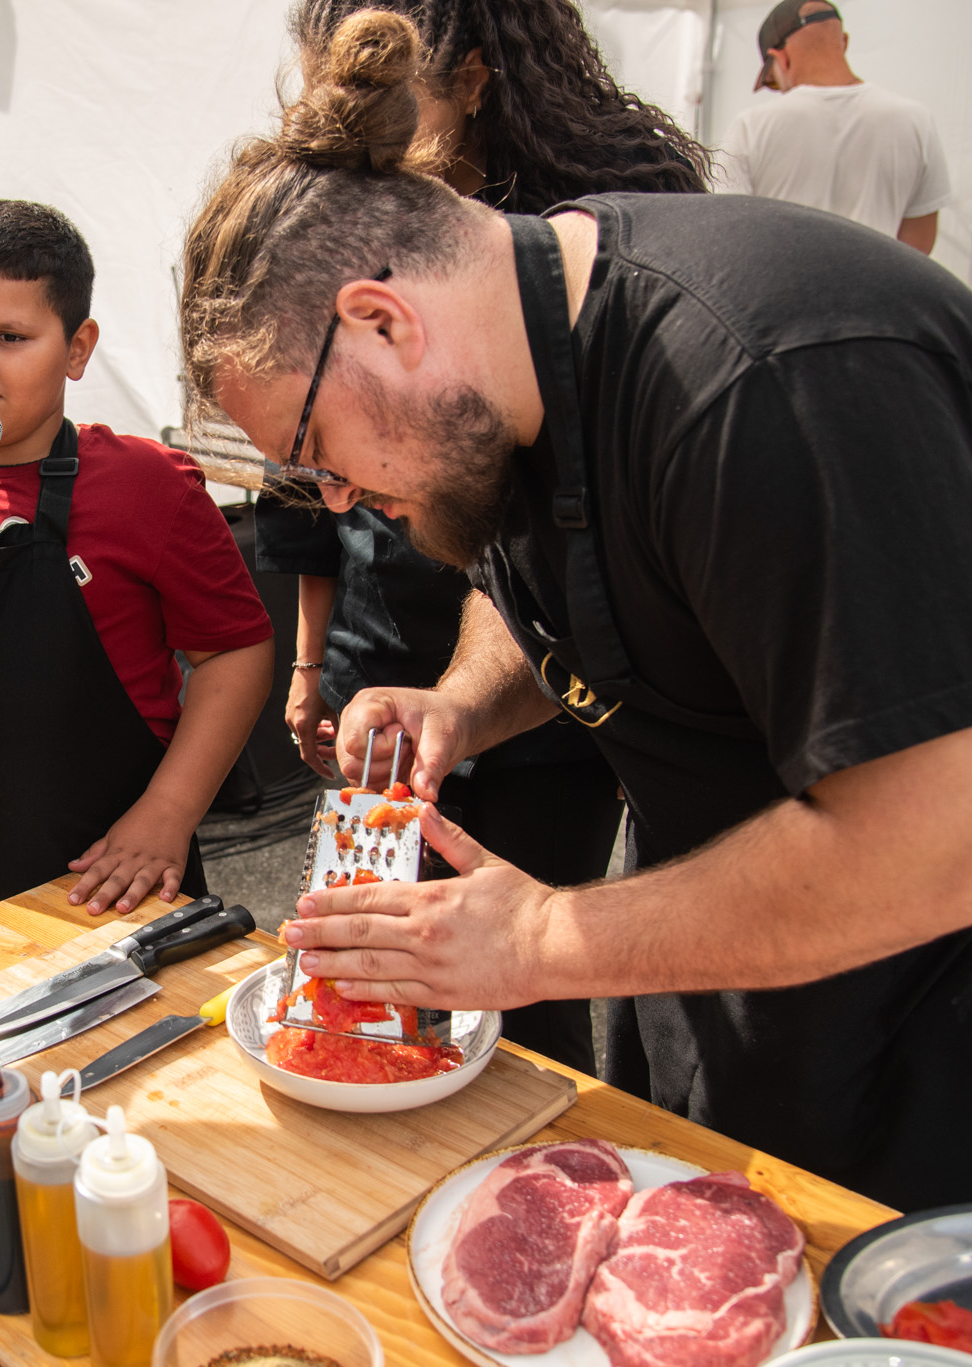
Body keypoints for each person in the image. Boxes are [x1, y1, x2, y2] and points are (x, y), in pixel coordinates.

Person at [176, 11, 972, 1214]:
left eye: (314, 448)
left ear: (384, 322)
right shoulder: (514, 361)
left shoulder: (761, 382)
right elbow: (554, 586)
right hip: (748, 828)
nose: (334, 498)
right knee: (717, 1199)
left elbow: (944, 840)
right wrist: (464, 703)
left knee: (921, 1247)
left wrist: (539, 938)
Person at [263, 0, 709, 1070]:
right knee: (383, 978)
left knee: (532, 1009)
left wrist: (544, 933)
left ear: (472, 80)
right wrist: (427, 693)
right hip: (441, 667)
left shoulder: (637, 326)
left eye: (385, 107)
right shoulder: (368, 265)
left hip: (573, 724)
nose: (345, 495)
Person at [0, 200, 275, 931]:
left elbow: (236, 649)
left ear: (77, 347)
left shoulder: (148, 486)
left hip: (104, 890)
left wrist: (168, 812)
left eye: (10, 336)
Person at [716, 1, 950, 254]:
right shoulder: (915, 120)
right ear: (844, 42)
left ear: (781, 59)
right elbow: (917, 249)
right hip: (876, 280)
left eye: (774, 82)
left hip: (777, 279)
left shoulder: (751, 127)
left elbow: (729, 233)